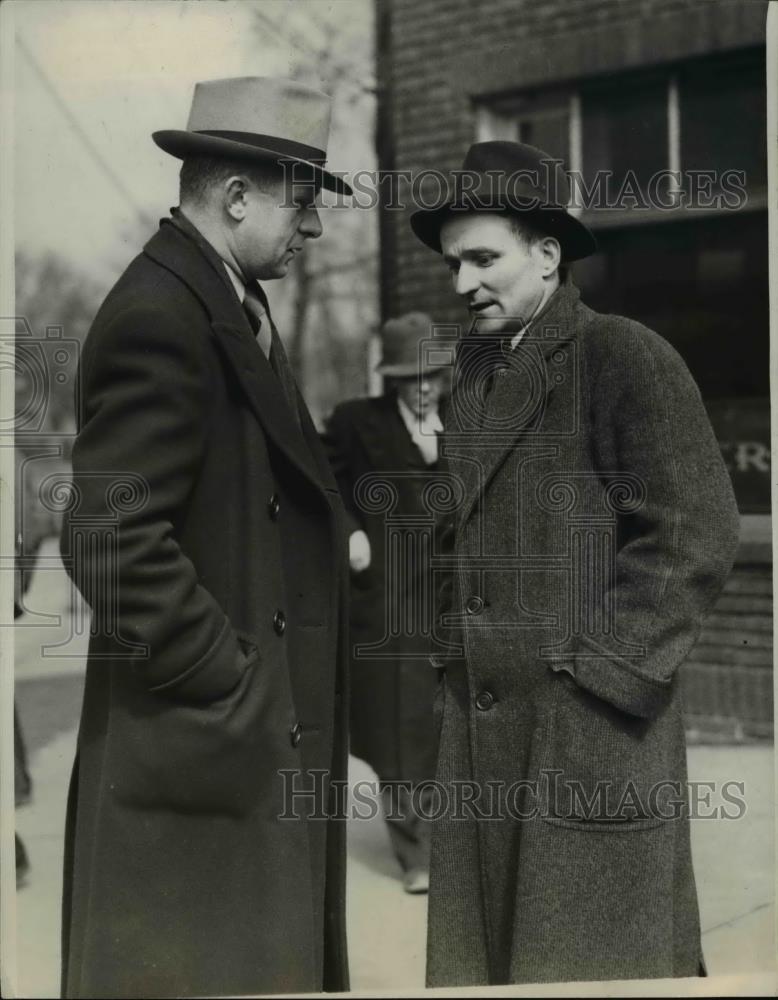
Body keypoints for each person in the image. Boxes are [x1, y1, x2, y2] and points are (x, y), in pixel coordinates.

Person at [409, 141, 740, 986]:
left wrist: (599, 679)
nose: (462, 284)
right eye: (454, 264)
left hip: (586, 732)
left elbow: (693, 532)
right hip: (483, 741)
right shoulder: (471, 382)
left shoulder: (624, 356)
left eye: (484, 258)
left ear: (548, 255)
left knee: (594, 966)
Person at [59, 77, 352, 998]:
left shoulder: (223, 302)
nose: (313, 230)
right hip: (203, 750)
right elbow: (106, 537)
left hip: (233, 754)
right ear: (235, 198)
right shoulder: (163, 313)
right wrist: (228, 678)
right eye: (303, 204)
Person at [323, 314, 446, 894]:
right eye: (409, 378)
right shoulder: (356, 424)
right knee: (397, 725)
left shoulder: (468, 423)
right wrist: (349, 531)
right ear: (392, 381)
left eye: (432, 377)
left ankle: (459, 841)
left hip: (451, 596)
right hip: (390, 596)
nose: (422, 387)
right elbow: (319, 480)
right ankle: (415, 853)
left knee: (449, 719)